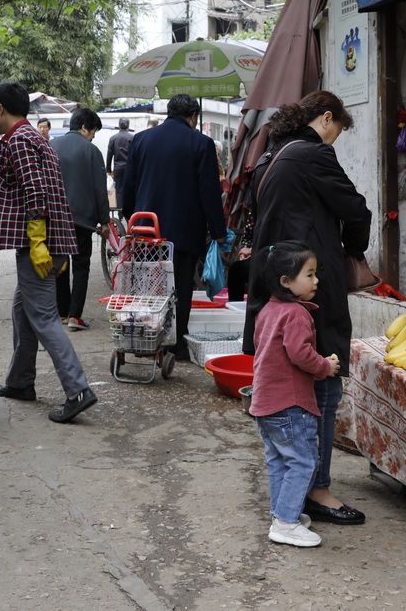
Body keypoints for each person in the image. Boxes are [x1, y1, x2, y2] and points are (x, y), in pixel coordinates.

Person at [244, 90, 371, 527]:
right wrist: (352, 254)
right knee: (324, 382)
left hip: (275, 284)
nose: (334, 139)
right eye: (336, 131)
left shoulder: (270, 156)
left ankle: (292, 486)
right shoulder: (314, 155)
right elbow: (356, 210)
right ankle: (316, 487)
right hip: (310, 286)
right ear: (327, 119)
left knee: (285, 379)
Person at [0, 80, 96, 423]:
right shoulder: (36, 137)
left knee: (45, 318)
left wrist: (36, 239)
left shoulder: (18, 140)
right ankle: (20, 382)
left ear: (0, 109)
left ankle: (78, 390)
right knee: (23, 311)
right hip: (54, 242)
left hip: (40, 244)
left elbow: (34, 191)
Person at [121, 94, 226, 361]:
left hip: (146, 229)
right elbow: (209, 193)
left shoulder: (142, 139)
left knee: (147, 285)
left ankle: (145, 337)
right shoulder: (201, 143)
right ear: (193, 117)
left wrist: (131, 217)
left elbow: (128, 184)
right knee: (179, 287)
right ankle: (176, 344)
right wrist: (218, 231)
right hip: (183, 230)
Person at [248, 241, 340, 548]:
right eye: (310, 275)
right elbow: (300, 353)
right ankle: (286, 524)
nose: (316, 281)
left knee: (279, 460)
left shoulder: (267, 310)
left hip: (265, 403)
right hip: (290, 405)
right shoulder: (296, 314)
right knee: (302, 461)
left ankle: (282, 514)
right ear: (286, 282)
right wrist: (324, 366)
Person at [51, 108, 108, 330]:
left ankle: (62, 313)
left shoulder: (51, 146)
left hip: (55, 218)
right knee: (81, 266)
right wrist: (104, 221)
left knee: (60, 263)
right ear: (84, 127)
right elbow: (99, 189)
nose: (93, 137)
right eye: (93, 132)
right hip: (83, 220)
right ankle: (75, 316)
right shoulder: (92, 151)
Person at [105, 117, 133, 197]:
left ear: (119, 126)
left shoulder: (113, 138)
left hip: (118, 168)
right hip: (130, 168)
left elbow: (109, 155)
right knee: (130, 189)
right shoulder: (132, 137)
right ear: (128, 126)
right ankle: (129, 208)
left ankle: (120, 208)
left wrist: (108, 170)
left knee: (119, 190)